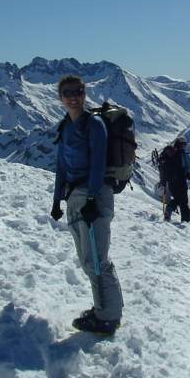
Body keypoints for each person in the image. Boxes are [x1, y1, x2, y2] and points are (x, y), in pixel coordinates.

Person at [50, 75, 123, 335]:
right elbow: (62, 165)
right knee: (87, 259)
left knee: (96, 259)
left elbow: (99, 163)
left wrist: (92, 198)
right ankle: (102, 308)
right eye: (67, 93)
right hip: (74, 197)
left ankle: (108, 318)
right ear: (60, 97)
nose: (73, 97)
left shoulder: (94, 124)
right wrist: (57, 199)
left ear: (84, 93)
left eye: (77, 91)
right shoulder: (65, 126)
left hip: (94, 195)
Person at [158, 136, 190, 222]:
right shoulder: (182, 154)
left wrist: (163, 182)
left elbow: (165, 169)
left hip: (171, 183)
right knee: (184, 202)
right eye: (183, 144)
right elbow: (189, 168)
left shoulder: (170, 154)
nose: (184, 146)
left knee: (177, 199)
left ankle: (169, 209)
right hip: (181, 181)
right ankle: (185, 222)